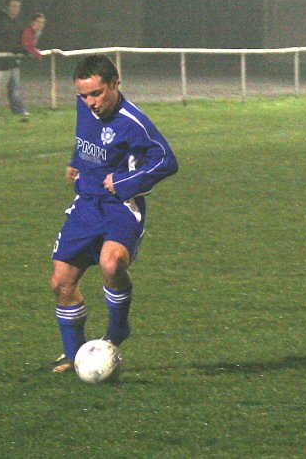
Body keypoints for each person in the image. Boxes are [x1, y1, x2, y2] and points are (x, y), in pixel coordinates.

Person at [50, 54, 178, 372]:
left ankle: (117, 330)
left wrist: (123, 182)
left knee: (112, 263)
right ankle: (74, 355)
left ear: (115, 84)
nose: (90, 102)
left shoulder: (133, 122)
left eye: (97, 93)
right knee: (61, 283)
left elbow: (166, 160)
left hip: (120, 205)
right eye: (84, 95)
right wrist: (76, 161)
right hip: (86, 204)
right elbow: (85, 135)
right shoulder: (85, 106)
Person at [0, 0, 29, 118]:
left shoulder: (18, 22)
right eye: (13, 6)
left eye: (17, 6)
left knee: (14, 87)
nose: (15, 9)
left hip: (12, 60)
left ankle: (18, 110)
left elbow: (21, 40)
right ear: (7, 7)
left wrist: (23, 49)